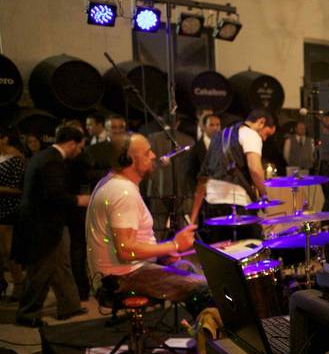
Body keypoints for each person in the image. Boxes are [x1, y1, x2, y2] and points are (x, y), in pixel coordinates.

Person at [86, 133, 207, 315]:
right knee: (204, 288)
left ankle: (197, 332)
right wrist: (174, 244)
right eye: (147, 152)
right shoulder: (122, 192)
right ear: (128, 160)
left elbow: (129, 245)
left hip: (120, 272)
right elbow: (126, 250)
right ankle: (206, 338)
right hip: (123, 278)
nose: (153, 156)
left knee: (186, 267)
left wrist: (164, 252)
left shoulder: (111, 183)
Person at [12, 124, 91, 327]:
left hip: (44, 222)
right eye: (80, 147)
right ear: (72, 144)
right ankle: (27, 314)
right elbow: (55, 196)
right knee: (42, 269)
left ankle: (70, 306)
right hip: (43, 225)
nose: (79, 152)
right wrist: (80, 200)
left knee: (60, 265)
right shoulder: (53, 162)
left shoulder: (42, 156)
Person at [193, 109, 276, 243]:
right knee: (253, 246)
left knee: (220, 253)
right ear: (261, 122)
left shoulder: (218, 137)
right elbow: (255, 169)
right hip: (237, 204)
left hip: (212, 205)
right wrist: (264, 194)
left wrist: (193, 219)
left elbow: (203, 177)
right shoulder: (251, 134)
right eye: (267, 134)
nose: (265, 138)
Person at [0, 127, 27, 300]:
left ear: (5, 138)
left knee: (8, 250)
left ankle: (19, 285)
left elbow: (20, 190)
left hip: (9, 208)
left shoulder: (18, 159)